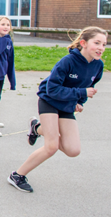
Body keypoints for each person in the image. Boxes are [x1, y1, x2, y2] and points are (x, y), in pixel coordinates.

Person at [8, 27, 106, 193]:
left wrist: (80, 101)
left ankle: (37, 128)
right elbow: (51, 90)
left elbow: (89, 85)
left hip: (67, 105)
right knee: (51, 147)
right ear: (83, 43)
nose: (101, 48)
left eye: (104, 44)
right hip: (50, 101)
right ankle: (17, 175)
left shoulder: (98, 65)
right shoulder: (68, 61)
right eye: (97, 43)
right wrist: (81, 93)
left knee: (73, 150)